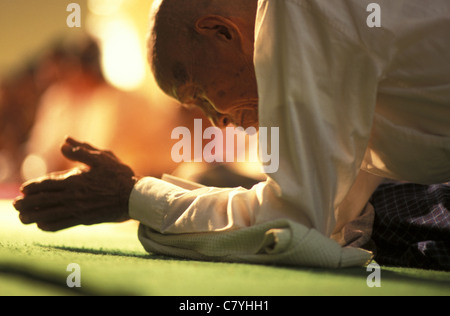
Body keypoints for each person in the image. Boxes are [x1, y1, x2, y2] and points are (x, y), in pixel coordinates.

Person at [13, 0, 450, 269]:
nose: (217, 121)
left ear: (222, 31)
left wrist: (131, 197)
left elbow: (295, 224)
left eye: (201, 96)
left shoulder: (294, 9)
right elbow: (330, 216)